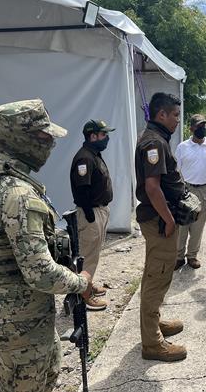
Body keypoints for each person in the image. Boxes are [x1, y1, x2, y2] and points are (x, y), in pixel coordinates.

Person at [0, 99, 92, 391]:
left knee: (41, 373)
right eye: (43, 138)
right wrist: (81, 283)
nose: (50, 145)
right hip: (21, 321)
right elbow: (40, 273)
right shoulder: (18, 195)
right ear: (18, 138)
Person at [134, 92, 187, 361]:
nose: (178, 120)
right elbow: (152, 188)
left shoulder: (157, 139)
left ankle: (153, 324)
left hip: (159, 218)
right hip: (158, 221)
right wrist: (168, 219)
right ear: (161, 115)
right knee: (158, 276)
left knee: (156, 274)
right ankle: (152, 344)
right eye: (175, 115)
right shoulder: (154, 142)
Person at [69, 119, 115, 310]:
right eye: (103, 134)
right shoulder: (85, 158)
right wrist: (89, 215)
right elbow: (82, 190)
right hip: (91, 213)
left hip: (99, 211)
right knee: (87, 255)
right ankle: (85, 296)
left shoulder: (94, 154)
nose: (107, 138)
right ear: (93, 136)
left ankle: (88, 284)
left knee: (93, 253)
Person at [174, 114, 206, 270]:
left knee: (198, 225)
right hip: (186, 189)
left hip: (204, 190)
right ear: (191, 128)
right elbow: (176, 171)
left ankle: (192, 256)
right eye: (199, 126)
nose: (202, 129)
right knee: (182, 225)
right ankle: (178, 256)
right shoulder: (182, 147)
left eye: (204, 126)